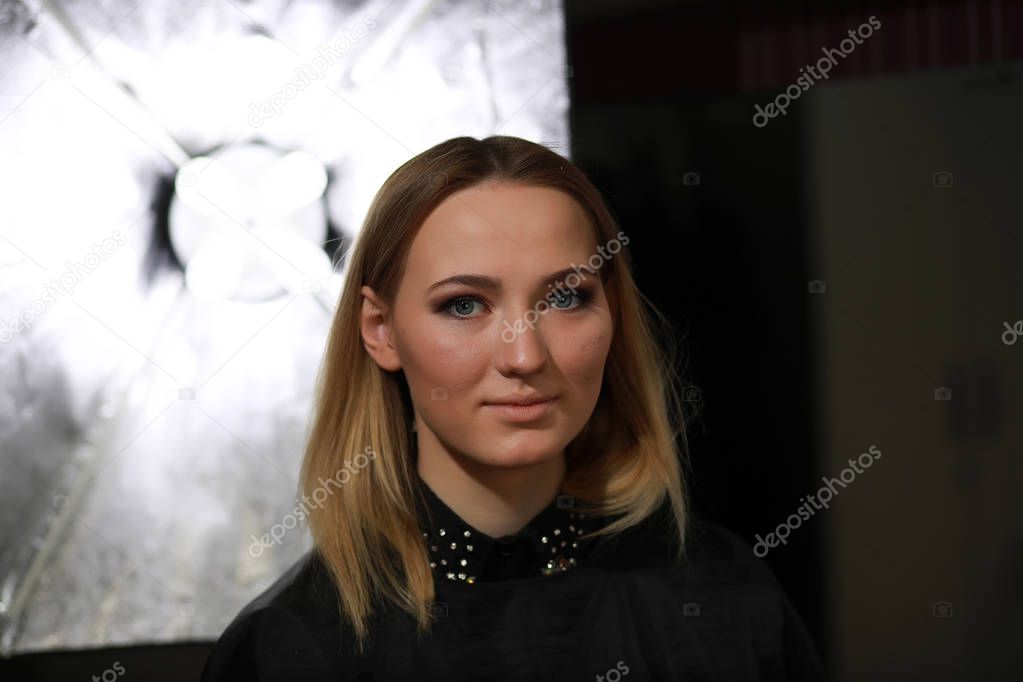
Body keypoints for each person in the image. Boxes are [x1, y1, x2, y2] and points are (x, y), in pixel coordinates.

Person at [199, 135, 825, 681]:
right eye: (465, 305)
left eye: (565, 297)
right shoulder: (293, 649)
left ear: (612, 316)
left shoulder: (725, 597)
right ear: (381, 329)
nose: (524, 355)